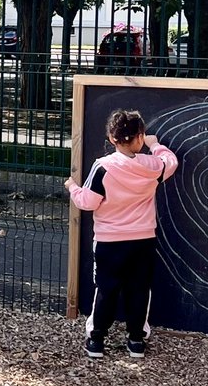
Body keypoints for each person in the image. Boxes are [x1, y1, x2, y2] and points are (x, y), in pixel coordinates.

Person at [64, 109, 178, 360]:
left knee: (106, 288)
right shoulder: (152, 166)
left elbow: (88, 202)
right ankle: (136, 340)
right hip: (143, 239)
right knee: (139, 289)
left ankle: (96, 340)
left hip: (109, 241)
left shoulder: (103, 167)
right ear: (140, 137)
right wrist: (156, 144)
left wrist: (72, 186)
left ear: (111, 137)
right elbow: (171, 162)